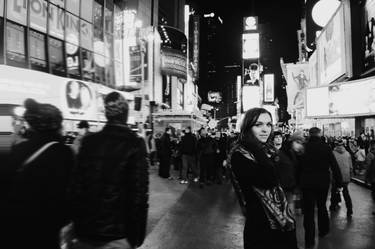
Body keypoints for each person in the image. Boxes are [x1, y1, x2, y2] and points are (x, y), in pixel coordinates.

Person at [69, 92, 149, 249]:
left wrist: (76, 223)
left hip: (85, 229)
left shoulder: (89, 142)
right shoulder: (134, 143)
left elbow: (76, 187)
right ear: (126, 115)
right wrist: (137, 236)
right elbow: (139, 194)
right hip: (117, 233)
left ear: (106, 114)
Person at [2, 98, 74, 249]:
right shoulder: (62, 153)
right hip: (44, 228)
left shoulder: (17, 150)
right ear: (56, 125)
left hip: (13, 226)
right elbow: (67, 194)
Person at [229, 108, 298, 249]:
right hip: (260, 227)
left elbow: (288, 177)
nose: (265, 129)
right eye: (258, 125)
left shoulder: (269, 150)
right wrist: (257, 150)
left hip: (280, 223)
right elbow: (269, 179)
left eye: (268, 124)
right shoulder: (241, 154)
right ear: (248, 128)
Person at [300, 127, 342, 248]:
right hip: (322, 183)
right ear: (320, 134)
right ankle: (323, 231)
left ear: (309, 134)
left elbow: (298, 166)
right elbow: (334, 166)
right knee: (322, 206)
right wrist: (339, 182)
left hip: (307, 183)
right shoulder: (326, 148)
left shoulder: (304, 148)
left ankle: (309, 239)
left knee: (308, 211)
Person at [331, 138, 353, 217]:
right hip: (345, 176)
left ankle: (333, 205)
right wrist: (350, 175)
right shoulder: (347, 153)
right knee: (346, 193)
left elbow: (330, 167)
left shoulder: (332, 153)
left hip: (336, 176)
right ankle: (349, 209)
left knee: (334, 191)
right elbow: (350, 166)